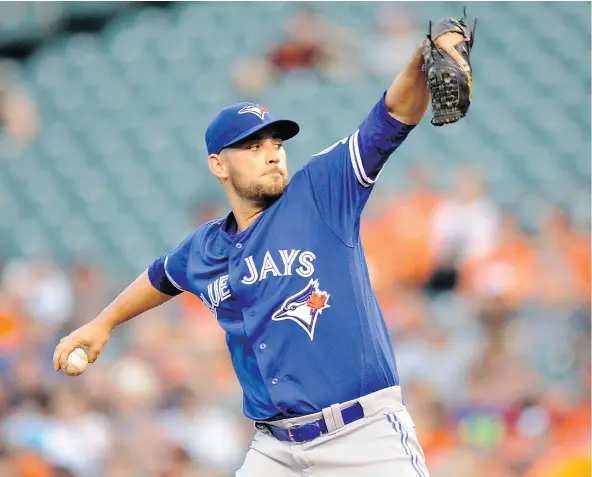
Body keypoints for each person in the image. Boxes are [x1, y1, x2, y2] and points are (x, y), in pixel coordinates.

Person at [54, 25, 470, 476]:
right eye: (253, 146)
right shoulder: (205, 246)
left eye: (276, 143)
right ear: (219, 165)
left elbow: (391, 116)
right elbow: (161, 277)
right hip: (276, 449)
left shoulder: (320, 194)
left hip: (362, 438)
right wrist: (104, 322)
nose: (272, 154)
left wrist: (420, 59)